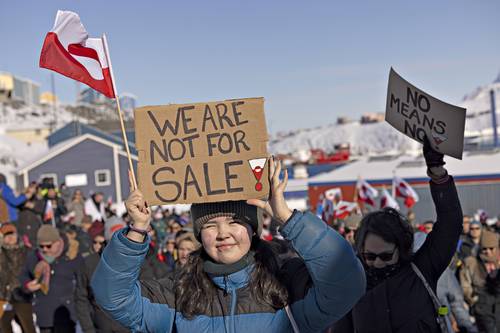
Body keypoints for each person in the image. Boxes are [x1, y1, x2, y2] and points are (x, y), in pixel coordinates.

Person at [91, 157, 366, 332]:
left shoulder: (288, 284)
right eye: (210, 225)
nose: (223, 233)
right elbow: (112, 297)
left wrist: (286, 217)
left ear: (252, 229)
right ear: (199, 235)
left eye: (235, 222)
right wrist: (137, 228)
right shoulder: (178, 293)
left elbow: (346, 282)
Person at [333, 138, 463, 333]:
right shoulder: (352, 288)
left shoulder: (421, 271)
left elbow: (449, 224)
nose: (377, 263)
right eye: (370, 256)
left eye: (385, 256)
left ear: (401, 249)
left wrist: (438, 175)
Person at [19, 224, 84, 332]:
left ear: (57, 242)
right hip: (44, 314)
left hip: (66, 313)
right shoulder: (34, 257)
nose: (44, 250)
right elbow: (23, 275)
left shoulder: (72, 256)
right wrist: (27, 285)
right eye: (41, 246)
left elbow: (84, 281)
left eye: (48, 246)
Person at [75, 230, 130, 333]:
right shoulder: (90, 263)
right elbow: (81, 298)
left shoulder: (134, 261)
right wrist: (88, 329)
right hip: (101, 327)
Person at [460, 231, 500, 333]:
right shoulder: (471, 262)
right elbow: (465, 286)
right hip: (480, 309)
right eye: (484, 249)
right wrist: (474, 301)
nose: (488, 252)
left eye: (491, 248)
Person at [0, 223, 36, 333]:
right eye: (7, 235)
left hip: (22, 295)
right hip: (5, 296)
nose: (10, 238)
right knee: (3, 324)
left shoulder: (27, 251)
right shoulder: (1, 253)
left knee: (27, 326)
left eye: (12, 234)